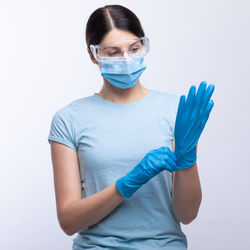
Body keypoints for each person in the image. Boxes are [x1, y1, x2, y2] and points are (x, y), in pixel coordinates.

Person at [47, 4, 214, 250]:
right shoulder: (69, 119)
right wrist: (127, 183)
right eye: (113, 52)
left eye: (134, 48)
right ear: (94, 55)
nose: (126, 59)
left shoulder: (177, 112)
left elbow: (187, 214)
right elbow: (69, 221)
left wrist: (188, 159)